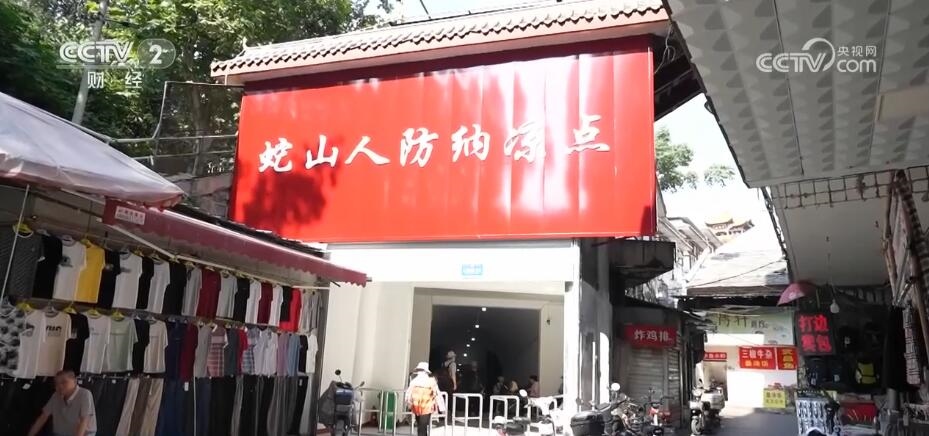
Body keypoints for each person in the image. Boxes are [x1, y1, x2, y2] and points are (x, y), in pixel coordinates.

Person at [28, 370, 97, 436]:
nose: (60, 386)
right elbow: (43, 417)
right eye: (56, 384)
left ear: (75, 381)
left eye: (64, 382)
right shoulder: (56, 396)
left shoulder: (84, 394)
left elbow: (84, 421)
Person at [406, 362, 441, 436]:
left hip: (426, 406)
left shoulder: (430, 381)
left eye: (421, 370)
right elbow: (409, 392)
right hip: (418, 406)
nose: (420, 372)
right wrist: (408, 402)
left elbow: (436, 393)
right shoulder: (415, 381)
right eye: (419, 370)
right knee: (421, 425)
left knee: (422, 425)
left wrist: (440, 405)